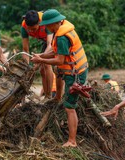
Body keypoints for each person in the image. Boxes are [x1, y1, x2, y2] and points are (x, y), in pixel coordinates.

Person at [31, 9, 89, 147]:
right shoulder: (63, 27)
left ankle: (72, 141)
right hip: (75, 68)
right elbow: (53, 50)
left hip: (75, 74)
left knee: (69, 107)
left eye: (47, 25)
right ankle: (57, 97)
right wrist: (41, 56)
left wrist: (43, 61)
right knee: (58, 72)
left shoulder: (62, 37)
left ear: (53, 23)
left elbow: (59, 60)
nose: (46, 28)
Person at [21, 10, 54, 100]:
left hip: (54, 39)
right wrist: (27, 67)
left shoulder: (46, 23)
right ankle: (46, 95)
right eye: (29, 29)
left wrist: (40, 59)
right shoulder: (24, 26)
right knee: (42, 71)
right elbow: (25, 50)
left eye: (34, 29)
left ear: (39, 23)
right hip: (46, 42)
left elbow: (50, 45)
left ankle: (49, 96)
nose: (31, 31)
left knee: (47, 64)